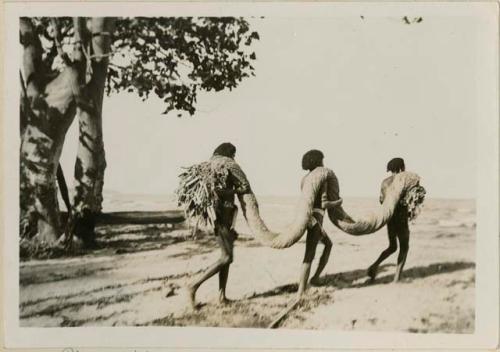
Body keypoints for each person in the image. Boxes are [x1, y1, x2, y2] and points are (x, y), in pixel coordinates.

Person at [187, 142, 250, 309]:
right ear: (228, 153)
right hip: (221, 216)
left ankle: (222, 296)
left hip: (226, 217)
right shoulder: (221, 165)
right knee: (227, 257)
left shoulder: (214, 164)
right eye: (233, 154)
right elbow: (216, 190)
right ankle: (194, 285)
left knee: (227, 257)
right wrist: (237, 191)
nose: (234, 157)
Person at [297, 150, 343, 300]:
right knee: (309, 255)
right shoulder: (322, 177)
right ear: (318, 161)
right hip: (317, 218)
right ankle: (301, 292)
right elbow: (324, 203)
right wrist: (339, 201)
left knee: (328, 244)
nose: (324, 163)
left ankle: (315, 278)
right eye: (322, 160)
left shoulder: (305, 179)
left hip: (309, 218)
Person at [367, 157, 410, 282]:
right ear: (401, 167)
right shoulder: (404, 180)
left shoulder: (384, 182)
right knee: (404, 247)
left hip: (389, 218)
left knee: (392, 246)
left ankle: (374, 266)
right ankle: (396, 279)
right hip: (401, 218)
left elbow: (381, 200)